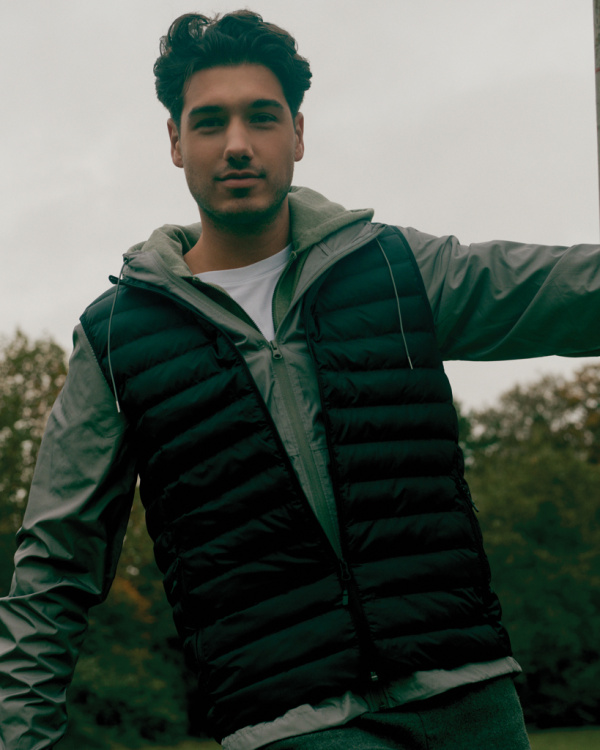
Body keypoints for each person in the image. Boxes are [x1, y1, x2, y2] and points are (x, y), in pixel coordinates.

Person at [0, 10, 598, 750]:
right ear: (176, 141)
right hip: (290, 727)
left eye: (262, 117)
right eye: (210, 122)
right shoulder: (118, 337)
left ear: (299, 133)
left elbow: (568, 291)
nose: (238, 144)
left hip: (467, 701)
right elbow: (55, 565)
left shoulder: (393, 269)